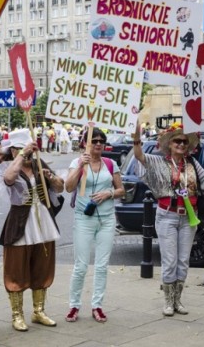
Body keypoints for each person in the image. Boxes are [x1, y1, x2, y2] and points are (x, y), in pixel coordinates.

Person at [132, 122, 204, 316]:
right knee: (170, 260)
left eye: (184, 142)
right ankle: (167, 301)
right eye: (177, 141)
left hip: (189, 216)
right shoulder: (158, 162)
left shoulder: (193, 164)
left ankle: (177, 300)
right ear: (169, 145)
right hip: (167, 215)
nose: (181, 144)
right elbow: (139, 156)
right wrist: (136, 137)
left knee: (183, 261)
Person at [0, 129, 64, 332]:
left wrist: (50, 177)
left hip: (43, 222)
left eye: (30, 149)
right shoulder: (6, 166)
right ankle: (17, 315)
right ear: (14, 150)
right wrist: (23, 155)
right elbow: (8, 179)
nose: (28, 153)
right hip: (19, 224)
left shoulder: (39, 163)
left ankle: (38, 311)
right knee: (16, 269)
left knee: (42, 266)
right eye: (22, 149)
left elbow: (60, 188)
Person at [64, 128, 124, 323]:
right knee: (80, 266)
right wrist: (81, 164)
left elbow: (121, 190)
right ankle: (74, 305)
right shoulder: (77, 162)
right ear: (86, 143)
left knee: (101, 266)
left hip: (106, 219)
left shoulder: (110, 163)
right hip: (84, 218)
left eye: (101, 141)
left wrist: (109, 194)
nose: (98, 144)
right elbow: (68, 187)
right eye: (94, 140)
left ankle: (97, 305)